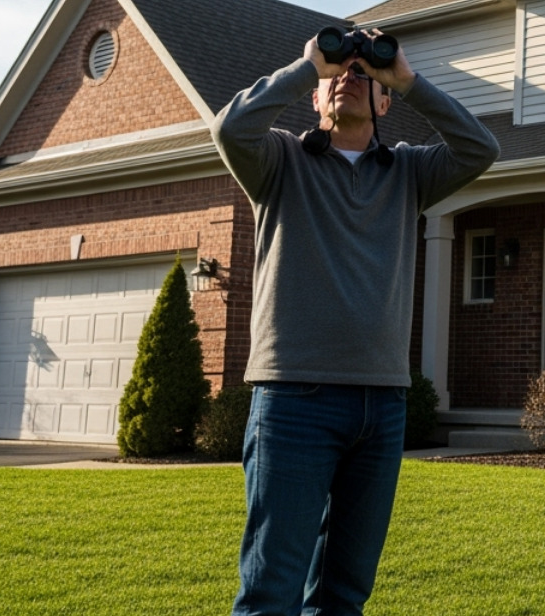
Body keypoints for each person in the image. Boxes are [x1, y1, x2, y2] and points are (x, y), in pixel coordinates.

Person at [212, 31, 499, 616]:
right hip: (295, 399)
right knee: (272, 590)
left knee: (346, 594)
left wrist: (409, 81)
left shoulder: (410, 172)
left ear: (385, 101)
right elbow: (228, 129)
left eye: (364, 75)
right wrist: (307, 65)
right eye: (334, 76)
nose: (347, 78)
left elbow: (480, 148)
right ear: (314, 99)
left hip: (383, 402)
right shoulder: (277, 161)